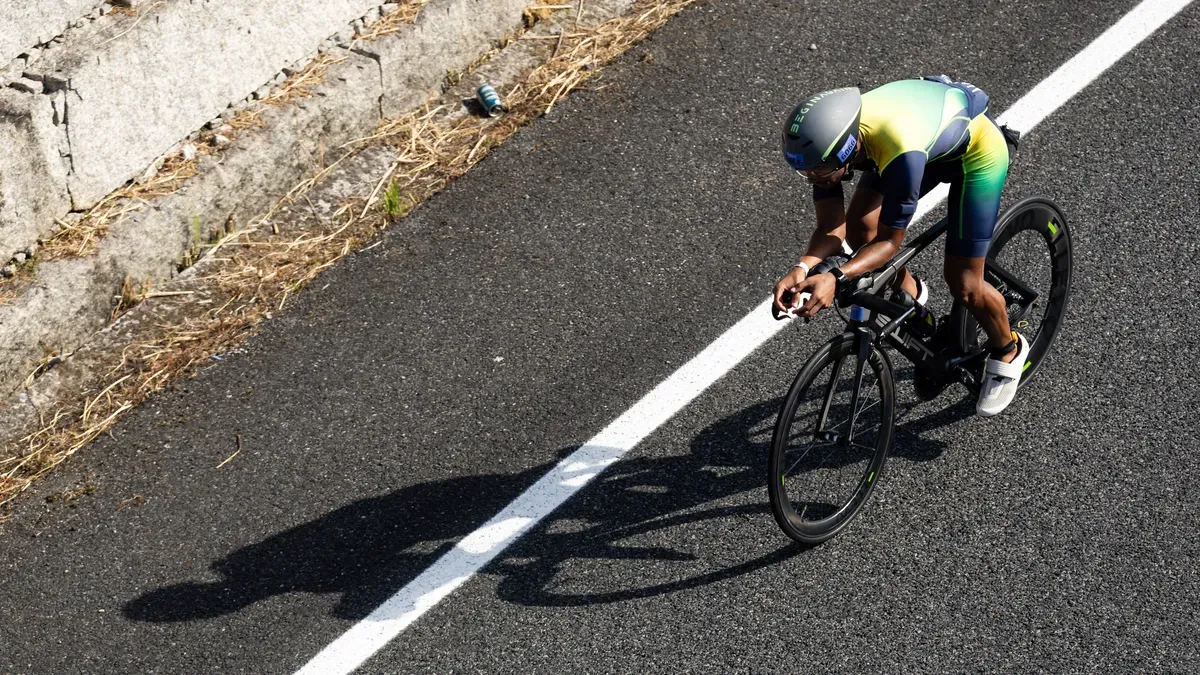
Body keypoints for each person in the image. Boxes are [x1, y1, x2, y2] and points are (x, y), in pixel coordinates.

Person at [772, 76, 1025, 417]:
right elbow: (832, 227)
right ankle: (911, 294)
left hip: (975, 151)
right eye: (806, 172)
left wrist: (836, 277)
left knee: (965, 283)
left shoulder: (895, 148)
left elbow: (890, 242)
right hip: (918, 134)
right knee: (861, 227)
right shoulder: (828, 151)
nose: (814, 178)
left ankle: (1008, 349)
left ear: (847, 150)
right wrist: (802, 267)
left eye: (818, 171)